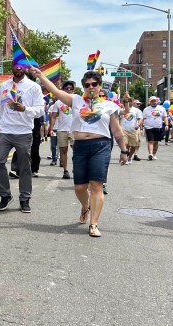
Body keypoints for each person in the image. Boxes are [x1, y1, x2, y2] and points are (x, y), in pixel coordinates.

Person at [33, 68, 128, 237]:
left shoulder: (108, 105)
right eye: (87, 85)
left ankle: (94, 224)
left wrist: (124, 150)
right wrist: (41, 76)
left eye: (94, 84)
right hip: (81, 146)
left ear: (100, 86)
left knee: (96, 186)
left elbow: (117, 130)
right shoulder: (76, 101)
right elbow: (55, 90)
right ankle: (86, 207)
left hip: (101, 145)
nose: (91, 87)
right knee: (79, 187)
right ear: (83, 87)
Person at [0, 63, 45, 213]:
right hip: (5, 131)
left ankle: (25, 198)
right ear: (12, 68)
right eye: (16, 65)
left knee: (24, 166)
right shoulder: (4, 85)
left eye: (21, 66)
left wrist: (25, 109)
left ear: (26, 69)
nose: (18, 68)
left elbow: (40, 110)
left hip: (24, 132)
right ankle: (5, 196)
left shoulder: (33, 87)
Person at [48, 80, 75, 178]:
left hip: (74, 130)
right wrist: (51, 129)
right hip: (62, 130)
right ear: (63, 90)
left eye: (71, 89)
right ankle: (65, 170)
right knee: (64, 150)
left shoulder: (77, 100)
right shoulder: (58, 103)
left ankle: (76, 168)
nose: (69, 90)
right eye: (66, 88)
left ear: (73, 90)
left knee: (76, 150)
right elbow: (54, 116)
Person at [120, 94, 143, 164]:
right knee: (126, 144)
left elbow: (140, 119)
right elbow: (118, 119)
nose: (127, 102)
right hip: (124, 130)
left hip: (133, 130)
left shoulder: (136, 110)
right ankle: (125, 158)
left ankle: (130, 157)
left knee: (133, 146)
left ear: (132, 102)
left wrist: (138, 125)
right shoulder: (121, 110)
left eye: (129, 101)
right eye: (125, 101)